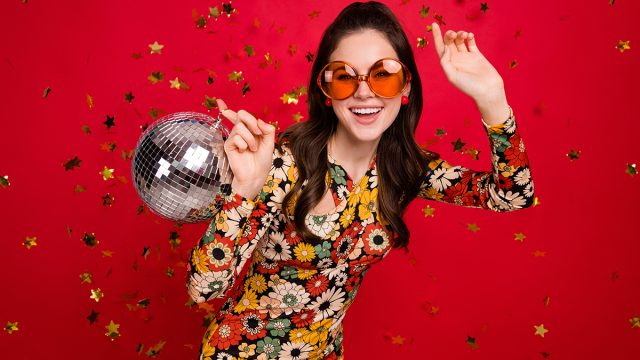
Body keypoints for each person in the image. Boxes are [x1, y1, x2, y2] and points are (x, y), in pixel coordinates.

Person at [187, 1, 535, 359]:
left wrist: (492, 98)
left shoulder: (404, 169)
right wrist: (243, 193)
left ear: (406, 88)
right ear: (325, 89)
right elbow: (205, 290)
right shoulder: (282, 162)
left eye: (383, 73)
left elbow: (511, 195)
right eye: (344, 76)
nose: (364, 91)